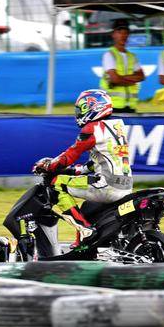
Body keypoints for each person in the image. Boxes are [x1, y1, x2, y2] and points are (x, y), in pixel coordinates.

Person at [33, 89, 133, 247]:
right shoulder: (117, 126)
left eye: (81, 110)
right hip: (126, 185)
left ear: (93, 107)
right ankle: (83, 243)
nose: (78, 114)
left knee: (56, 183)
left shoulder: (93, 128)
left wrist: (48, 166)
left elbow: (69, 155)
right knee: (87, 207)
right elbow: (97, 163)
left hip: (107, 185)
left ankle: (85, 230)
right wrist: (75, 171)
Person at [99, 18, 145, 113]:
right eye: (120, 32)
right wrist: (132, 80)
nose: (123, 35)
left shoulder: (132, 56)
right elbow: (115, 79)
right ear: (113, 34)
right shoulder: (109, 55)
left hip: (130, 106)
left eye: (126, 32)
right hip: (112, 107)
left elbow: (141, 76)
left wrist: (121, 78)